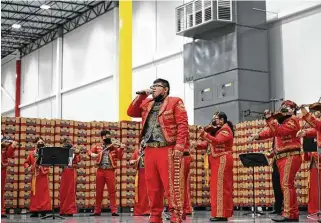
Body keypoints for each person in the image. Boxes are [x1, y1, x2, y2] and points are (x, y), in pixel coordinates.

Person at [127, 78, 189, 223]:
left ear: (166, 89)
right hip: (149, 148)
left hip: (167, 148)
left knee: (170, 184)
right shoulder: (147, 103)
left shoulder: (175, 101)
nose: (153, 88)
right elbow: (131, 111)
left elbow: (182, 125)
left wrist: (179, 146)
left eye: (157, 86)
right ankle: (155, 215)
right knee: (152, 185)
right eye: (152, 86)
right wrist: (142, 95)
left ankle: (176, 215)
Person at [253, 100, 302, 222]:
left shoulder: (293, 120)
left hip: (290, 156)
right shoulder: (282, 121)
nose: (284, 109)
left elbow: (279, 131)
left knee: (286, 185)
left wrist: (270, 120)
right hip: (282, 157)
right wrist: (259, 136)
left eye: (287, 108)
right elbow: (271, 132)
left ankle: (290, 214)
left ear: (293, 111)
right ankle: (292, 213)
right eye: (283, 107)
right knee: (286, 185)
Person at [192, 111, 234, 222]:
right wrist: (197, 145)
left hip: (222, 160)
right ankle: (218, 213)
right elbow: (209, 144)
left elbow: (217, 141)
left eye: (215, 118)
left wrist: (204, 134)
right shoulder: (217, 131)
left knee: (221, 187)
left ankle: (222, 214)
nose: (213, 121)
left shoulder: (225, 130)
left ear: (222, 120)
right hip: (217, 161)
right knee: (216, 187)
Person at [87, 130, 124, 216]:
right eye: (106, 137)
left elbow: (119, 157)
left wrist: (121, 148)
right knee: (98, 191)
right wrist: (93, 155)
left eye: (109, 136)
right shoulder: (98, 146)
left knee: (112, 191)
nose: (108, 138)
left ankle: (114, 210)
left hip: (110, 170)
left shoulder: (113, 147)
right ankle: (97, 211)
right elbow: (89, 152)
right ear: (102, 137)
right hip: (100, 170)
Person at [297, 106, 321, 215]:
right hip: (316, 159)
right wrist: (305, 132)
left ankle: (316, 209)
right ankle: (315, 209)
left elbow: (316, 125)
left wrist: (304, 112)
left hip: (318, 158)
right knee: (315, 186)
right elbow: (316, 128)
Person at [24, 137, 51, 217]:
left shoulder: (46, 153)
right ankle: (35, 210)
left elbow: (49, 164)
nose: (40, 144)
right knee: (35, 194)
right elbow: (26, 162)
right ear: (35, 144)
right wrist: (28, 167)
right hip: (35, 176)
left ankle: (44, 210)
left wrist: (42, 167)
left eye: (41, 142)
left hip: (43, 176)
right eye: (38, 143)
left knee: (44, 194)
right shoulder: (32, 153)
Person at [59, 137, 81, 216]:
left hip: (72, 171)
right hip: (65, 171)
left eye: (69, 142)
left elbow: (78, 161)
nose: (68, 143)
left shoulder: (74, 150)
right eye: (66, 142)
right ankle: (63, 210)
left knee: (71, 191)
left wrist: (77, 153)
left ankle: (70, 210)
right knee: (63, 191)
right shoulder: (62, 151)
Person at [1, 135, 18, 218]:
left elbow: (9, 155)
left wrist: (12, 146)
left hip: (2, 169)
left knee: (1, 191)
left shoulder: (5, 141)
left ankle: (1, 210)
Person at [129, 148, 149, 216]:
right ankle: (139, 211)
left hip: (149, 172)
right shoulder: (137, 151)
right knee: (139, 193)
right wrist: (132, 162)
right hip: (140, 173)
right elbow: (131, 160)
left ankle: (148, 210)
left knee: (148, 192)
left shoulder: (150, 150)